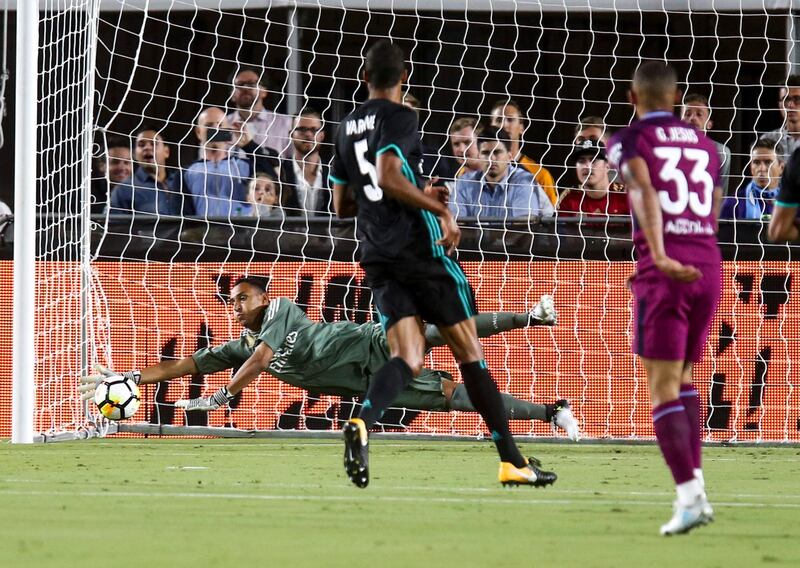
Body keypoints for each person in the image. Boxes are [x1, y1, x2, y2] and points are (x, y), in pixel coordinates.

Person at [329, 40, 557, 489]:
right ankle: (512, 462)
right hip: (419, 249)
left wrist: (418, 190)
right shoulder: (401, 117)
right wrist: (439, 211)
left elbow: (342, 203)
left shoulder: (345, 126)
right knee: (470, 355)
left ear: (363, 76)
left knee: (408, 356)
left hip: (375, 252)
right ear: (405, 78)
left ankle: (362, 422)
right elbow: (388, 175)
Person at [79, 277, 579, 442]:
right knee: (456, 399)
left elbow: (259, 360)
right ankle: (551, 412)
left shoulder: (279, 311)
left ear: (261, 298)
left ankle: (530, 317)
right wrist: (131, 376)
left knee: (433, 332)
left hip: (363, 343)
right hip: (367, 384)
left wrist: (227, 394)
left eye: (242, 298)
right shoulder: (242, 346)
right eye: (232, 302)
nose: (236, 307)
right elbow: (186, 365)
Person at [607, 61, 722, 536]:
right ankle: (696, 490)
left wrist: (658, 255)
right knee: (685, 377)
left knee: (661, 388)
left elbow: (642, 189)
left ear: (633, 98)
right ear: (676, 99)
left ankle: (690, 496)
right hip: (709, 263)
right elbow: (712, 198)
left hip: (666, 268)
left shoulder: (628, 138)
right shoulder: (707, 145)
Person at [451, 128, 554, 220]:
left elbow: (524, 229)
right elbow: (456, 226)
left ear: (509, 157)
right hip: (478, 241)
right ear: (479, 156)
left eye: (497, 152)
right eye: (485, 153)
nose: (491, 159)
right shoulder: (464, 182)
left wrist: (487, 238)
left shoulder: (524, 181)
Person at [185, 112, 253, 218]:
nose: (215, 129)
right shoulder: (186, 172)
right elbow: (182, 213)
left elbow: (273, 180)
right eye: (209, 125)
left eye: (220, 125)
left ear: (228, 131)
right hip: (203, 232)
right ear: (198, 132)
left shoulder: (245, 166)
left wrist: (249, 145)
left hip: (240, 232)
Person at [490, 99, 557, 205]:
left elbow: (552, 217)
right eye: (499, 120)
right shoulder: (476, 171)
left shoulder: (540, 175)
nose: (504, 125)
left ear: (522, 128)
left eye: (510, 119)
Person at [109, 128, 186, 216]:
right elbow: (116, 227)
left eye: (154, 143)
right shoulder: (123, 190)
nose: (147, 147)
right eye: (141, 145)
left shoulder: (182, 183)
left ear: (166, 152)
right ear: (134, 154)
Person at [227, 68, 292, 155]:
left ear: (264, 91)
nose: (245, 88)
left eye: (252, 84)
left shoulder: (285, 123)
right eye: (240, 84)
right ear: (232, 95)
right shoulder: (222, 124)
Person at [557, 138, 628, 216]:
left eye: (593, 160)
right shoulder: (569, 199)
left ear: (607, 166)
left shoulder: (625, 197)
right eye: (581, 161)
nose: (587, 166)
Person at [280, 109, 332, 216]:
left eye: (314, 130)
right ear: (291, 134)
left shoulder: (334, 172)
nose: (308, 134)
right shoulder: (280, 171)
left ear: (322, 135)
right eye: (302, 129)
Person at [681, 93, 733, 195]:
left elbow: (721, 194)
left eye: (699, 114)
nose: (693, 118)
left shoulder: (721, 152)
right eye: (687, 114)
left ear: (709, 124)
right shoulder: (670, 147)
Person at [720, 139, 783, 220]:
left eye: (768, 162)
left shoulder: (793, 204)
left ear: (781, 168)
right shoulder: (733, 203)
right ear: (750, 167)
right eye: (756, 162)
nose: (762, 168)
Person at [761, 75, 800, 160]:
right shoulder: (768, 140)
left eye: (797, 99)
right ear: (779, 104)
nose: (790, 105)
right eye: (786, 99)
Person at [92, 137, 132, 214]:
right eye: (115, 162)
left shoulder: (142, 192)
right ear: (101, 166)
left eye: (126, 162)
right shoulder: (87, 196)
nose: (122, 168)